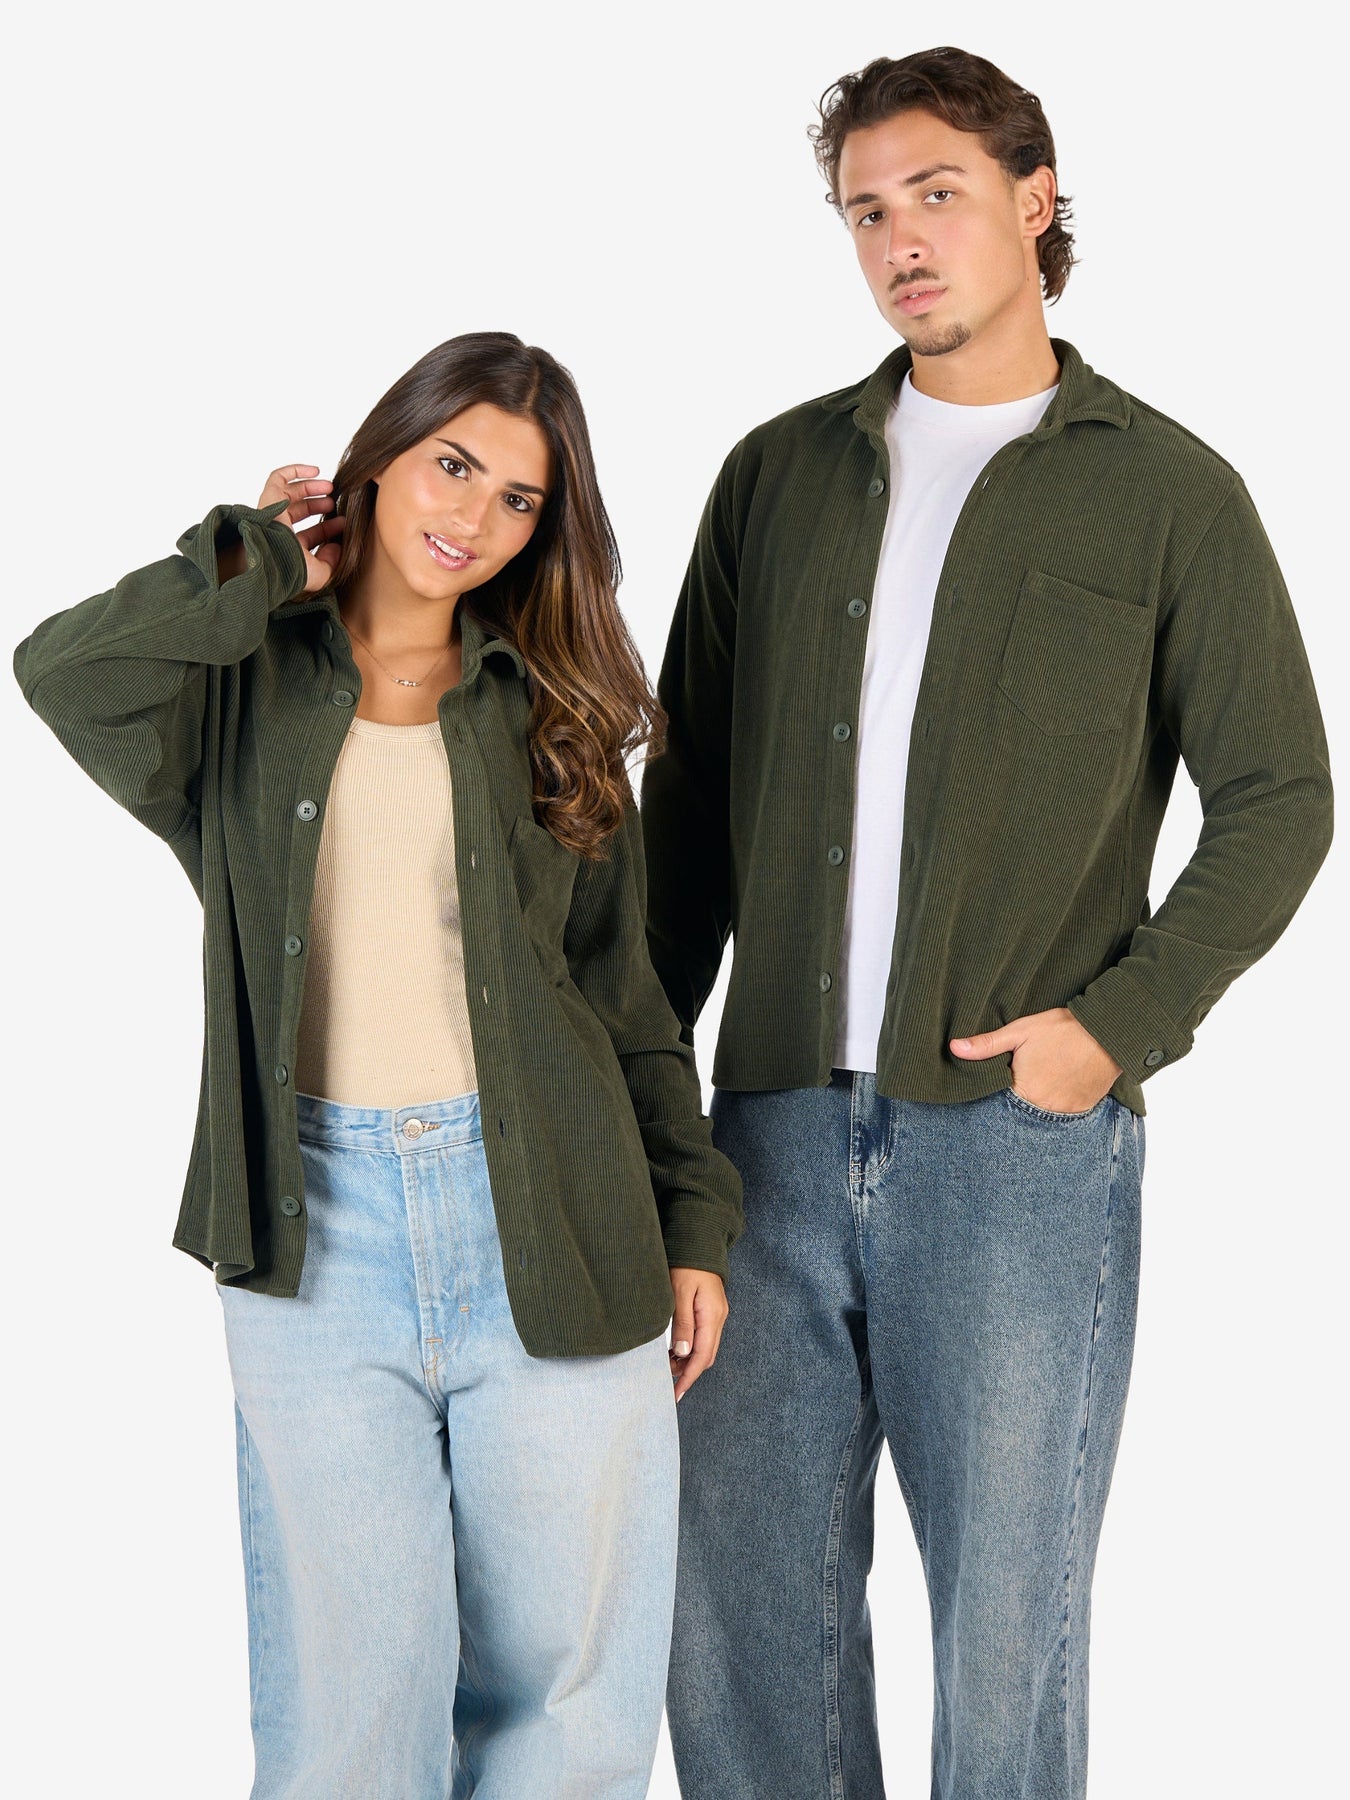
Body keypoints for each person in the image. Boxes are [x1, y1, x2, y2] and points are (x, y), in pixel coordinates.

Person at [641, 46, 1333, 1800]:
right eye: (863, 210)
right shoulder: (774, 477)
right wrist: (647, 1136)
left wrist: (1115, 1029)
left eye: (935, 194)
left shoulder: (1164, 490)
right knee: (737, 1637)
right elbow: (683, 827)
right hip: (760, 1149)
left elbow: (1279, 793)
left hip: (1013, 1159)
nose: (898, 240)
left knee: (1005, 1648)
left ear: (1034, 200)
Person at [14, 330, 742, 1799]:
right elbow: (62, 672)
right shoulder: (242, 686)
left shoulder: (553, 709)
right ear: (379, 458)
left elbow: (626, 1002)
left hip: (557, 1210)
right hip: (314, 1236)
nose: (474, 517)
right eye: (451, 466)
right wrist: (254, 561)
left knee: (571, 1699)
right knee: (349, 1703)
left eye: (520, 499)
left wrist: (692, 1224)